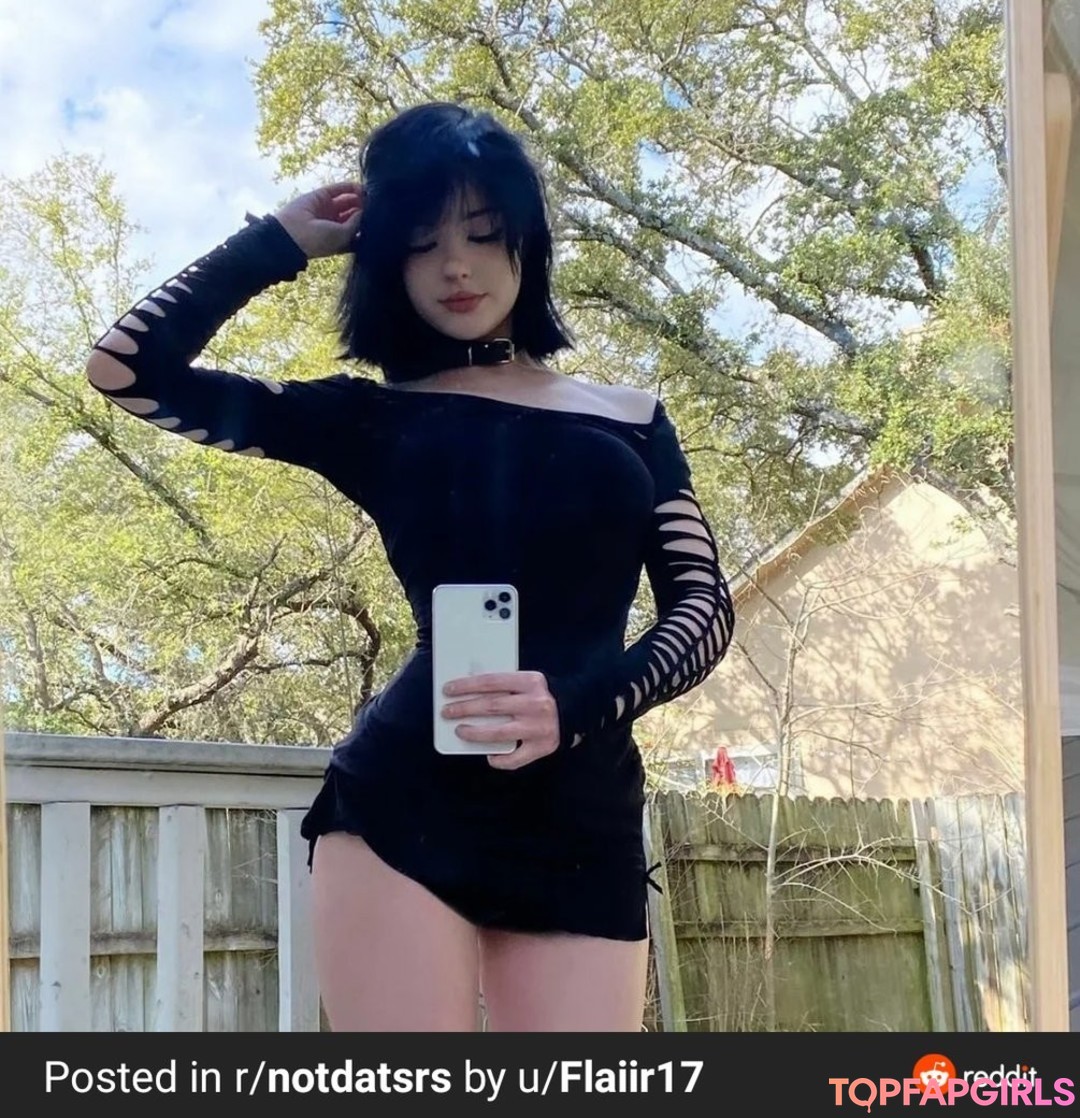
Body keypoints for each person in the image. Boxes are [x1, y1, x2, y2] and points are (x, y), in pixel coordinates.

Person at [85, 101, 735, 1032]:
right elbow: (125, 369)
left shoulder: (631, 418)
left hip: (583, 819)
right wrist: (277, 242)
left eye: (482, 233)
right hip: (403, 812)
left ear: (526, 241)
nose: (456, 266)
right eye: (422, 243)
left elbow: (703, 608)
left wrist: (575, 705)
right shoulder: (368, 418)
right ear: (387, 260)